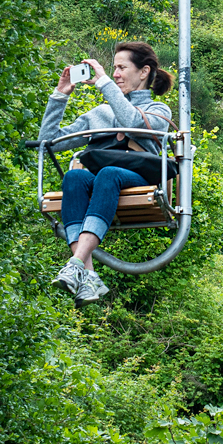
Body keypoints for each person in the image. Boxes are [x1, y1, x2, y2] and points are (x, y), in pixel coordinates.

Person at [38, 42, 174, 307]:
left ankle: (75, 263)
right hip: (103, 183)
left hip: (140, 181)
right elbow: (48, 142)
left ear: (144, 72)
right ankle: (88, 275)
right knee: (74, 177)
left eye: (122, 68)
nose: (116, 74)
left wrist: (103, 84)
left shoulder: (158, 111)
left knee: (109, 173)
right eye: (113, 68)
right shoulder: (99, 114)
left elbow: (131, 121)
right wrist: (60, 95)